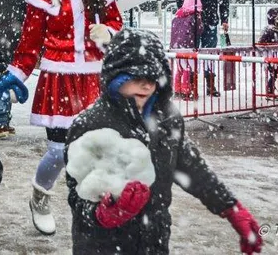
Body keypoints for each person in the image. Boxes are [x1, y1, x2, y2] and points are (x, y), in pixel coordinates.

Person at [65, 29, 263, 255]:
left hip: (154, 241)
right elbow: (76, 193)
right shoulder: (91, 123)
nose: (146, 86)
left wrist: (230, 207)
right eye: (137, 78)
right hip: (103, 245)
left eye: (152, 78)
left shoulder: (167, 118)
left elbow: (191, 168)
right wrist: (99, 213)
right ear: (116, 77)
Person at [7, 0, 123, 236]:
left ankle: (97, 206)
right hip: (59, 77)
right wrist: (16, 75)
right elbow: (30, 41)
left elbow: (116, 23)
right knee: (59, 151)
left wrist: (107, 32)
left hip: (93, 79)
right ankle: (40, 198)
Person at [174, 0, 229, 96]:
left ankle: (210, 84)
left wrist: (224, 19)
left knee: (209, 53)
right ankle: (191, 83)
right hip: (192, 23)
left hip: (210, 22)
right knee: (192, 53)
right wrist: (185, 12)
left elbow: (224, 1)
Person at [169, 0, 202, 99]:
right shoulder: (194, 18)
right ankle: (187, 91)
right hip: (188, 46)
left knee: (179, 68)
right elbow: (200, 30)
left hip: (176, 46)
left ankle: (177, 90)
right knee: (189, 68)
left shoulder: (177, 17)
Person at [258, 7, 278, 96]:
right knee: (274, 74)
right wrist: (268, 47)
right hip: (270, 56)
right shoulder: (268, 30)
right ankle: (271, 90)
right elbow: (261, 43)